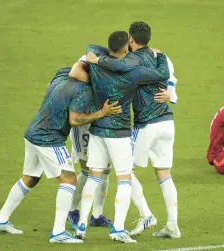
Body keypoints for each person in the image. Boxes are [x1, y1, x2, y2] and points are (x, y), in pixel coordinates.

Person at [0, 67, 121, 243]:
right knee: (69, 180)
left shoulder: (62, 76)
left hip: (33, 132)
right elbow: (75, 120)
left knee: (30, 178)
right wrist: (102, 113)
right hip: (49, 138)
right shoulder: (84, 91)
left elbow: (48, 89)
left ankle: (0, 220)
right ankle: (58, 233)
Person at [72, 31, 170, 243]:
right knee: (124, 180)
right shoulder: (134, 71)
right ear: (127, 48)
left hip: (98, 129)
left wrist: (101, 59)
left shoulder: (96, 62)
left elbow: (91, 46)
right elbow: (161, 74)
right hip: (120, 133)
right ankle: (117, 229)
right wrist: (160, 56)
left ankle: (81, 227)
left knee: (93, 177)